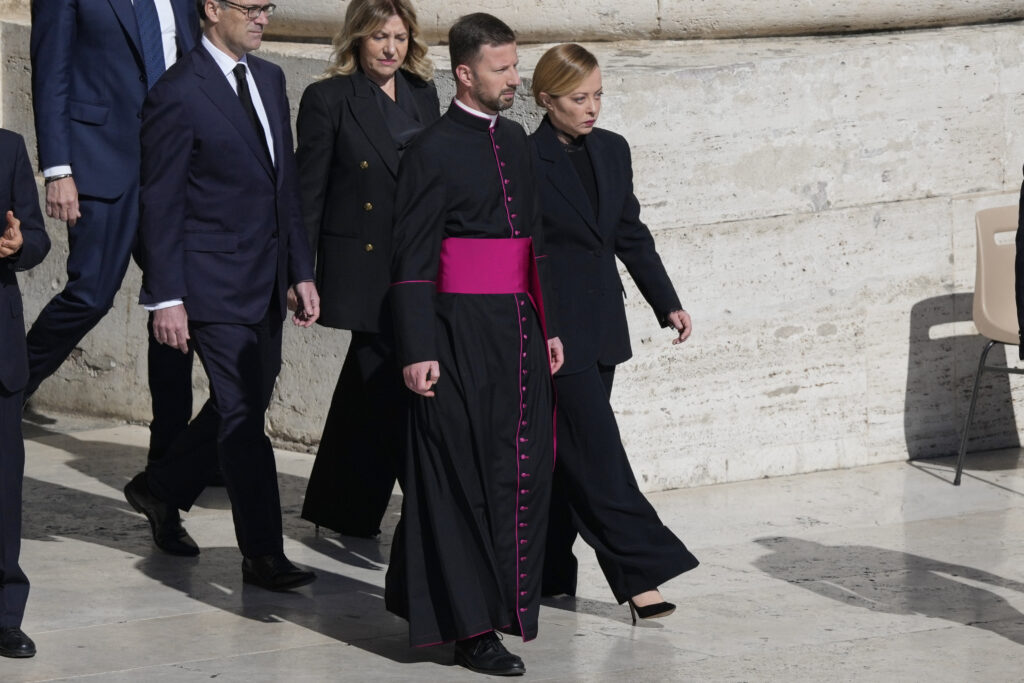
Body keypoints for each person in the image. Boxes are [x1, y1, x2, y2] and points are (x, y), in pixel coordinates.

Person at [384, 13, 564, 677]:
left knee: (517, 474)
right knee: (462, 479)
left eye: (515, 68)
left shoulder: (516, 141)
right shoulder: (429, 148)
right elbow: (410, 257)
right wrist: (417, 347)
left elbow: (534, 246)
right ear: (465, 73)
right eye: (502, 70)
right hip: (455, 334)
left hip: (517, 331)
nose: (515, 80)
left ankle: (431, 595)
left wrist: (550, 328)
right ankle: (472, 628)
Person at [122, 0, 321, 592]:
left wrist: (300, 269)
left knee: (249, 401)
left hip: (265, 279)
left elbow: (284, 183)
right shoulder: (178, 91)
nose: (263, 17)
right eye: (252, 6)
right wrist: (166, 297)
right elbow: (159, 202)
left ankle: (159, 488)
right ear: (211, 8)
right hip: (208, 283)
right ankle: (262, 554)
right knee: (241, 419)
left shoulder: (270, 76)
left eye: (268, 7)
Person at [528, 43, 699, 622]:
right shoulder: (524, 160)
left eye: (598, 94)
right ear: (546, 100)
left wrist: (666, 301)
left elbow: (630, 233)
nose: (592, 107)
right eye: (579, 98)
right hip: (553, 332)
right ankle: (641, 577)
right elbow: (526, 256)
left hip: (603, 328)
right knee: (598, 455)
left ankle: (546, 574)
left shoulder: (612, 149)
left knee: (565, 456)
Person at [28, 0, 206, 464]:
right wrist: (58, 169)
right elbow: (52, 71)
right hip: (102, 161)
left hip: (174, 166)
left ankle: (170, 459)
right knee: (91, 293)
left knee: (177, 302)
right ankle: (12, 384)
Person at [296, 0, 440, 539]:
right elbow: (307, 193)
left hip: (417, 259)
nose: (390, 49)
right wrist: (300, 272)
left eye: (400, 38)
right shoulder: (327, 98)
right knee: (386, 376)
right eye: (379, 37)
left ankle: (342, 508)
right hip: (363, 264)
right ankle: (429, 507)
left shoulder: (424, 94)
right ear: (357, 38)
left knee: (370, 384)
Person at [0, 129, 50, 659]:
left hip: (0, 348)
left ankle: (5, 614)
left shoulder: (8, 148)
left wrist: (19, 246)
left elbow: (36, 236)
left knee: (3, 490)